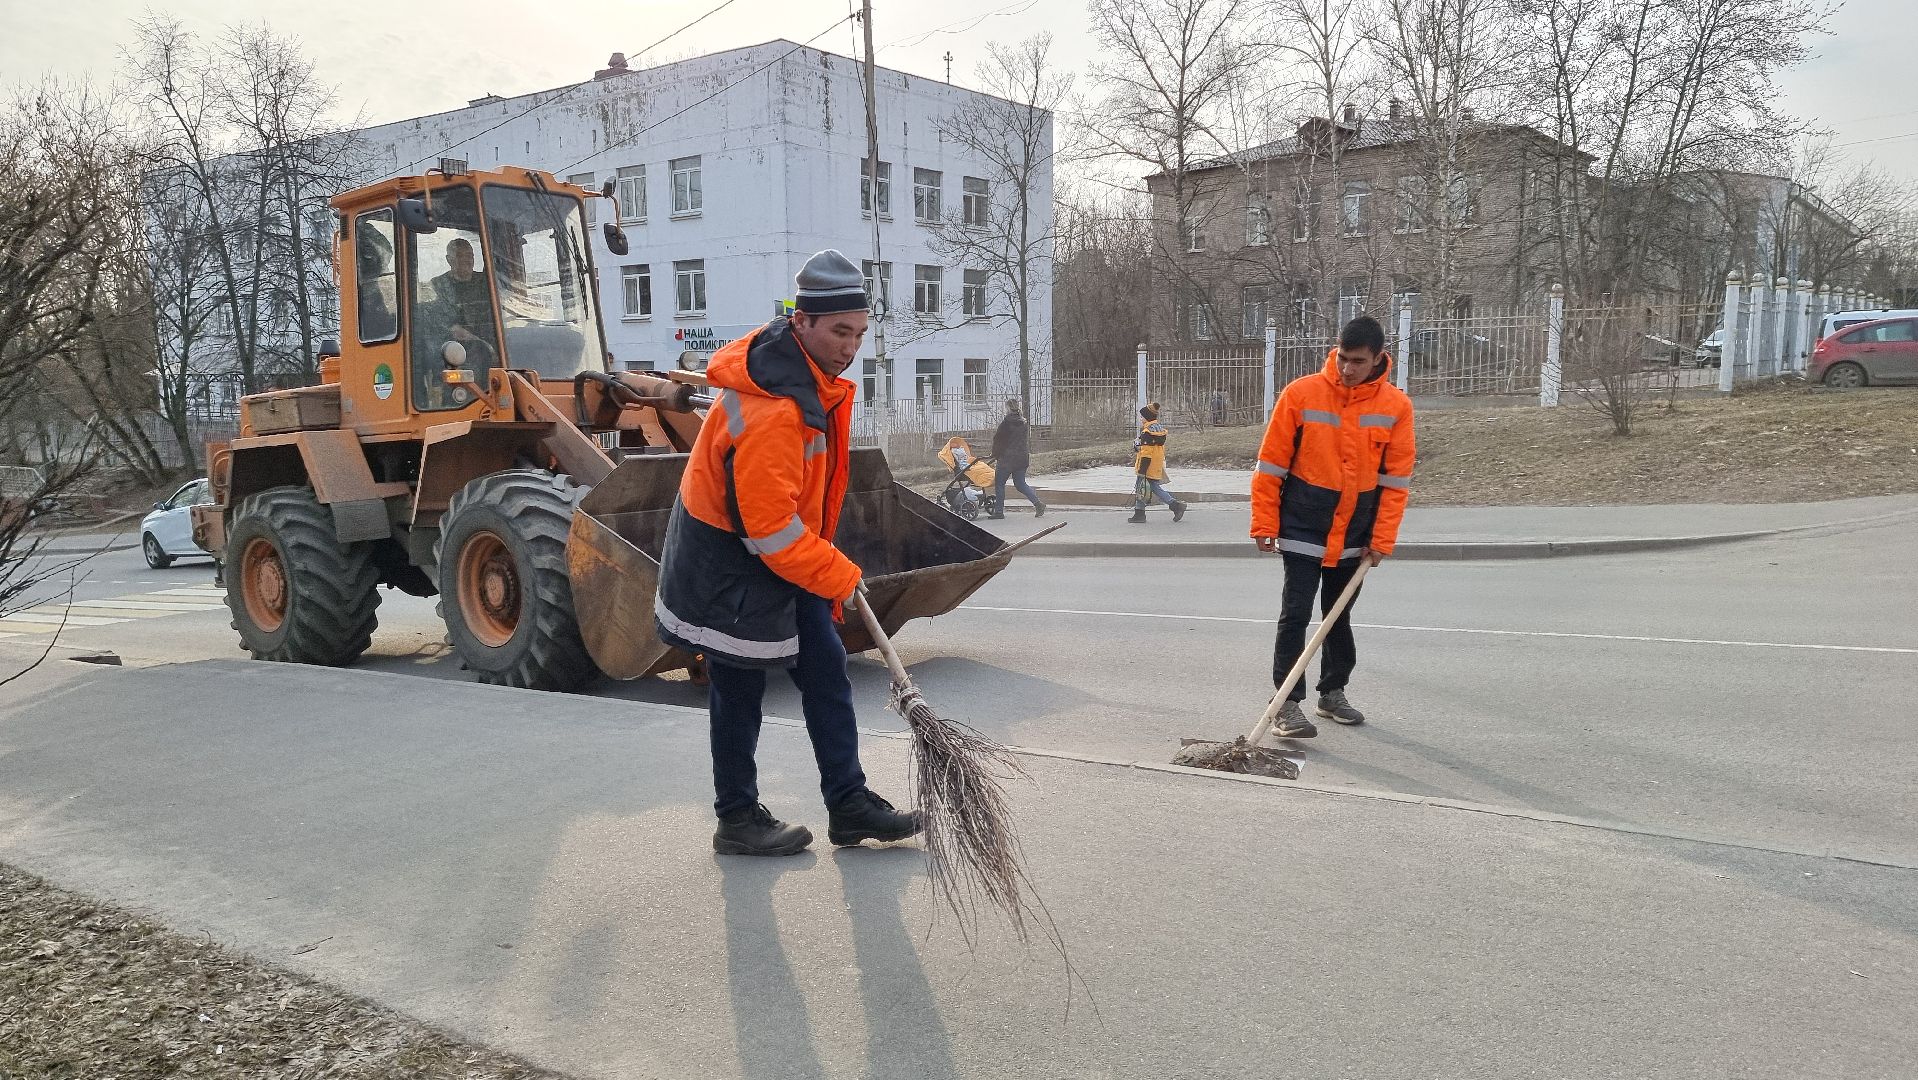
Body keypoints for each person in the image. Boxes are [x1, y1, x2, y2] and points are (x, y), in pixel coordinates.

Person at [654, 249, 923, 857]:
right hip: (728, 559)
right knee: (738, 685)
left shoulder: (806, 378)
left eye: (859, 333)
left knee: (826, 671)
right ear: (801, 322)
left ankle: (849, 804)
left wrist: (820, 562)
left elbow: (789, 516)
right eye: (839, 331)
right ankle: (737, 819)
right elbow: (768, 528)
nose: (850, 345)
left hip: (774, 553)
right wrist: (835, 570)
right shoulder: (775, 407)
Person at [1250, 315, 1416, 739]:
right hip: (1304, 523)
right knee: (1296, 615)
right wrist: (1264, 521)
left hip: (1356, 532)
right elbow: (1270, 466)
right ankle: (1286, 703)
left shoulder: (1396, 407)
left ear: (1379, 358)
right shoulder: (1301, 394)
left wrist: (1382, 539)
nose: (1347, 368)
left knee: (1337, 616)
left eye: (1358, 361)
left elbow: (1395, 483)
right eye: (1342, 358)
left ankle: (1332, 692)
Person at [1127, 402, 1187, 523]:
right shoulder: (1158, 429)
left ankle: (1175, 505)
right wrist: (1139, 447)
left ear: (1147, 417)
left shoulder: (1147, 432)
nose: (1140, 418)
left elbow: (1146, 453)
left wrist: (1142, 470)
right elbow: (1151, 449)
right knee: (1141, 487)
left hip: (1146, 465)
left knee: (1148, 487)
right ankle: (1139, 514)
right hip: (1156, 463)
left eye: (1142, 416)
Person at [988, 398, 1045, 519]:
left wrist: (995, 454)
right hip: (1021, 458)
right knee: (1020, 484)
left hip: (1007, 460)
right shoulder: (1024, 422)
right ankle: (1038, 504)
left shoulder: (1006, 423)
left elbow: (998, 441)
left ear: (1008, 408)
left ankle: (999, 512)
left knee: (999, 484)